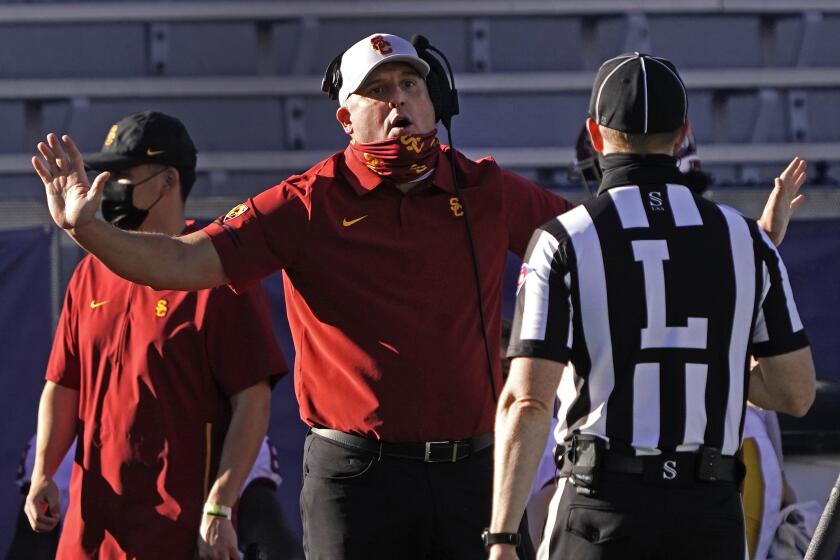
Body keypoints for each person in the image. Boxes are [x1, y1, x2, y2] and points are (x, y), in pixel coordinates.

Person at [32, 37, 796, 559]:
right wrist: (90, 233)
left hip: (467, 469)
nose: (400, 102)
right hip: (355, 478)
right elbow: (179, 262)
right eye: (379, 91)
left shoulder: (485, 190)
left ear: (437, 101)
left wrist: (740, 251)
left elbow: (612, 251)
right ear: (347, 116)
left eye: (411, 85)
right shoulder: (306, 203)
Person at [488, 52, 816, 560]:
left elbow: (527, 402)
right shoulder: (746, 241)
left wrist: (503, 536)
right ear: (683, 133)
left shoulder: (563, 239)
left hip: (602, 508)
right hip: (707, 512)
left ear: (595, 136)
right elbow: (795, 394)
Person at [25, 111, 287, 560]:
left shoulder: (217, 272)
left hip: (178, 533)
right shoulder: (91, 272)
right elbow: (63, 384)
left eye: (123, 175)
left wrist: (220, 506)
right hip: (92, 534)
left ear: (168, 182)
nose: (108, 187)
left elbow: (253, 400)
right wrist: (43, 473)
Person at [8, 435, 304, 560]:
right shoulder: (62, 442)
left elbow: (273, 542)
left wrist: (218, 510)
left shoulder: (232, 432)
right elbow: (31, 547)